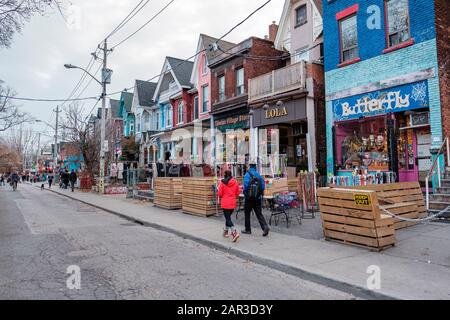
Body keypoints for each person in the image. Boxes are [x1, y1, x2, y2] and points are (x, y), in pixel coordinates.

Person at [242, 161, 270, 237]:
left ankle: (248, 229)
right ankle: (265, 227)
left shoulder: (247, 175)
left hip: (249, 198)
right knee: (259, 214)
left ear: (249, 166)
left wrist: (245, 194)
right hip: (257, 198)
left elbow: (245, 186)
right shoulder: (259, 175)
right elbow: (263, 187)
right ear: (255, 166)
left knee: (247, 213)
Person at [217, 170, 241, 242]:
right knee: (228, 218)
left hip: (225, 203)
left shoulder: (222, 183)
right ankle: (225, 232)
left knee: (228, 219)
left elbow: (220, 194)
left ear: (225, 175)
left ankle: (234, 232)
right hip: (232, 203)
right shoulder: (235, 182)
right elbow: (237, 193)